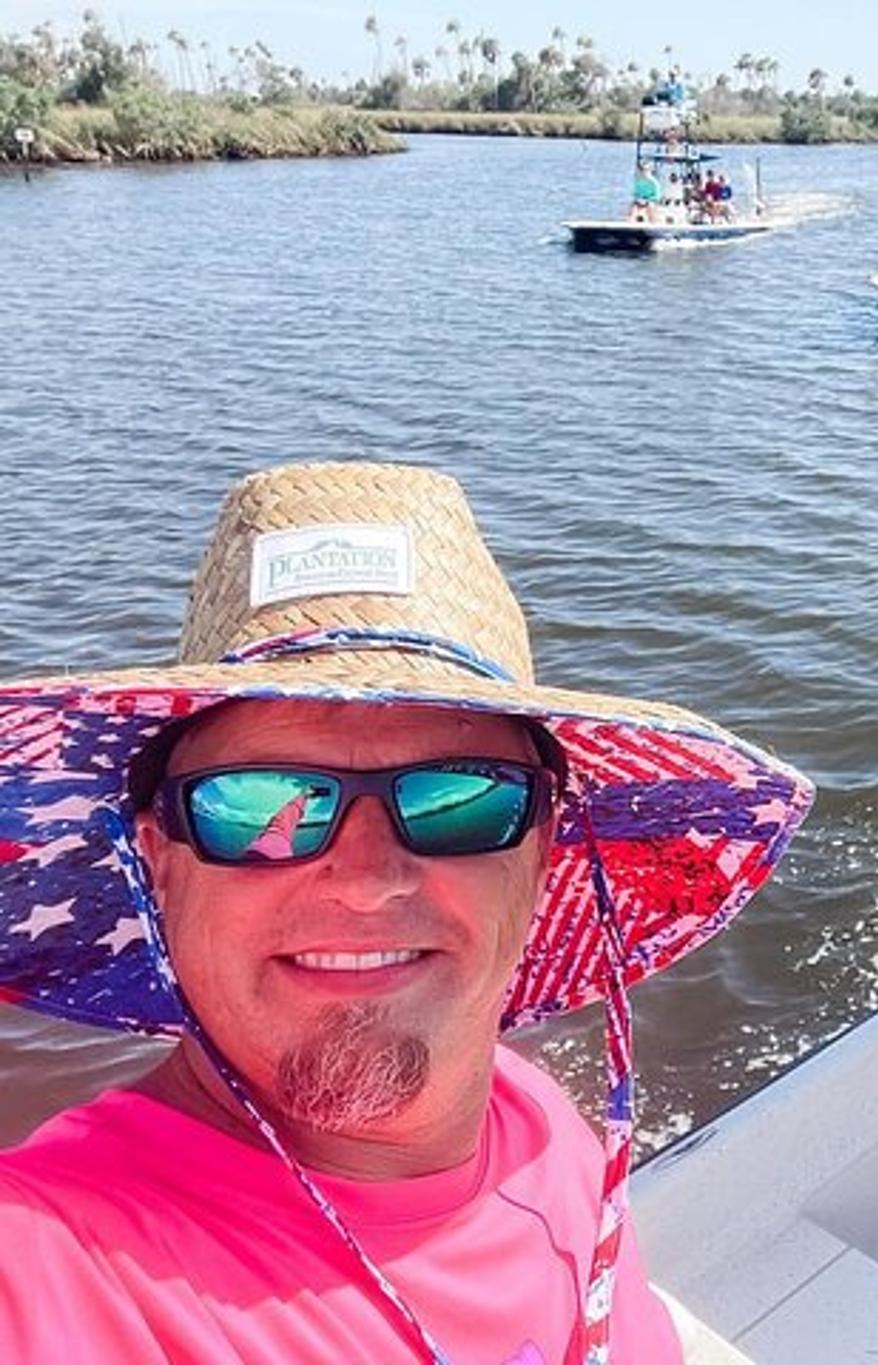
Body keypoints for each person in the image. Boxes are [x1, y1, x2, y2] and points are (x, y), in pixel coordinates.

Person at [0, 463, 814, 1363]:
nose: (367, 878)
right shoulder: (52, 1262)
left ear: (543, 856)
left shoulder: (533, 1111)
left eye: (459, 800)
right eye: (260, 802)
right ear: (159, 864)